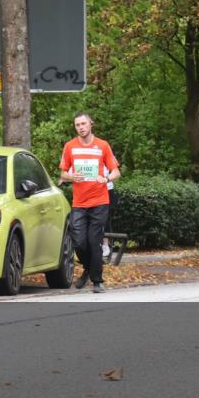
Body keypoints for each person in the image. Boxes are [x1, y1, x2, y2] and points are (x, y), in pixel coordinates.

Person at [59, 112, 120, 293]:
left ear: (90, 124)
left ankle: (97, 281)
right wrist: (72, 176)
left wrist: (106, 178)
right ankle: (88, 267)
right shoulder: (70, 146)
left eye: (83, 124)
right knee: (78, 242)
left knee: (95, 242)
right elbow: (63, 174)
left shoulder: (103, 145)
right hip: (79, 203)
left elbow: (116, 172)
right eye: (77, 125)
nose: (81, 127)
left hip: (100, 201)